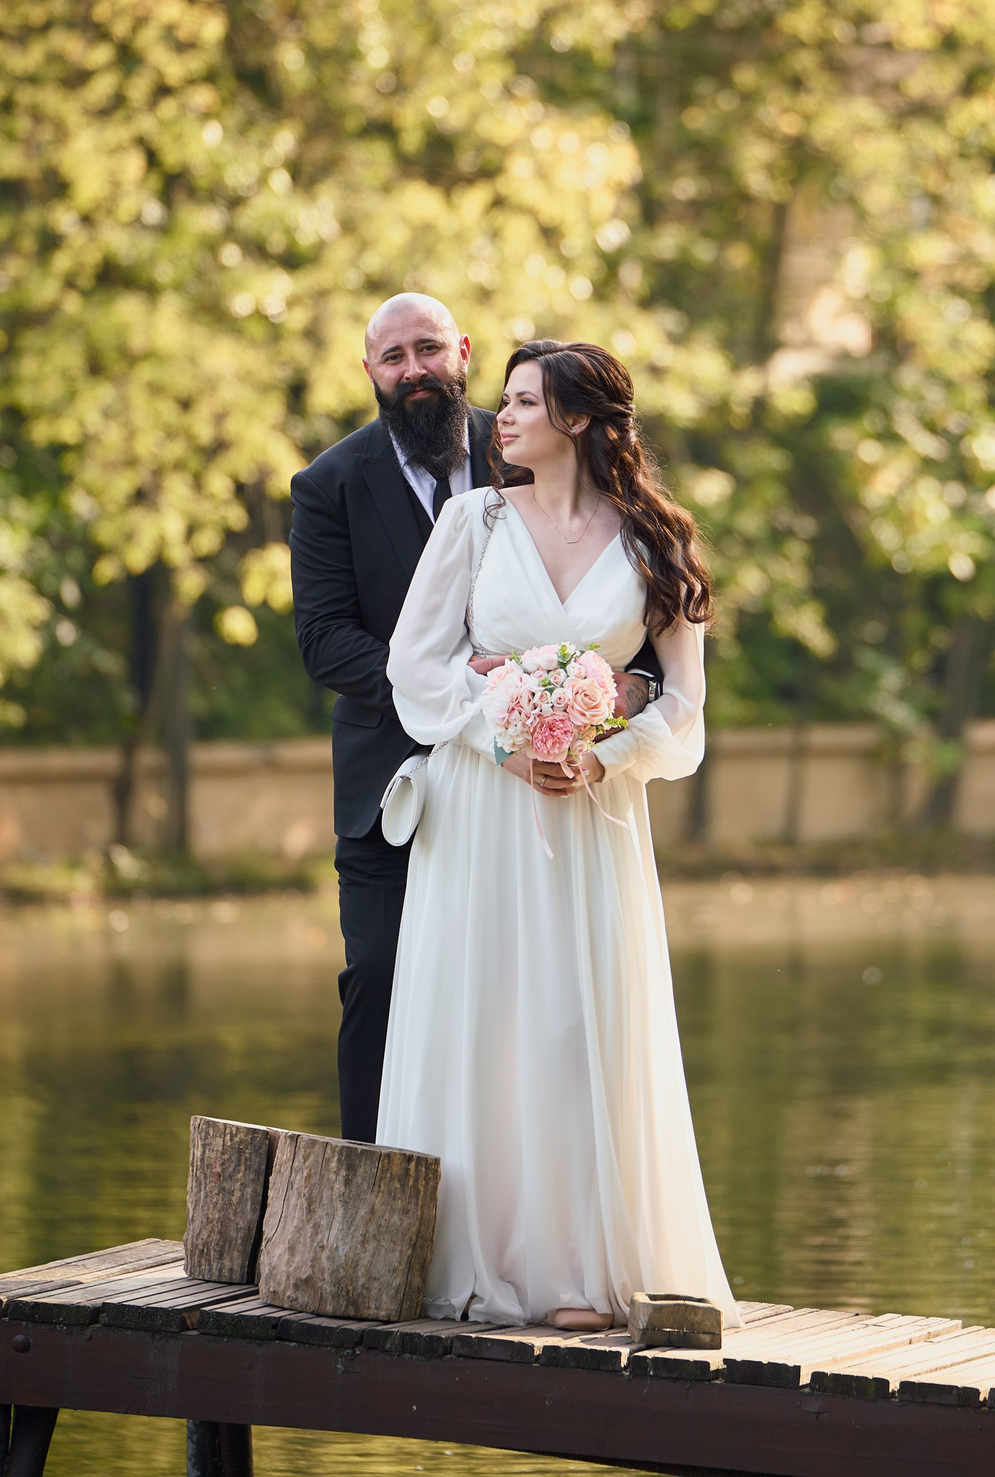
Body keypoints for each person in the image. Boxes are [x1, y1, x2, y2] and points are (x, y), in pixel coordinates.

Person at [379, 339, 737, 1333]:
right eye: (503, 400)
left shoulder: (655, 537)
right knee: (487, 1017)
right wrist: (505, 734)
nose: (502, 417)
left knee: (575, 1024)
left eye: (525, 401)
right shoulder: (472, 521)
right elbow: (416, 667)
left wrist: (601, 756)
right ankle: (474, 1261)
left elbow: (683, 709)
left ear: (578, 419)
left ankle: (583, 1268)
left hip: (592, 817)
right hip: (483, 807)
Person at [287, 296, 657, 1143]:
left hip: (534, 790)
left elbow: (614, 596)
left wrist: (607, 692)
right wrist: (461, 686)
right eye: (392, 357)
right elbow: (324, 640)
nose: (412, 370)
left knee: (520, 994)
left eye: (427, 350)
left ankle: (503, 1197)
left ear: (460, 353)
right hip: (394, 784)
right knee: (379, 979)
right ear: (371, 372)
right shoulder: (328, 485)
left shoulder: (535, 441)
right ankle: (367, 1197)